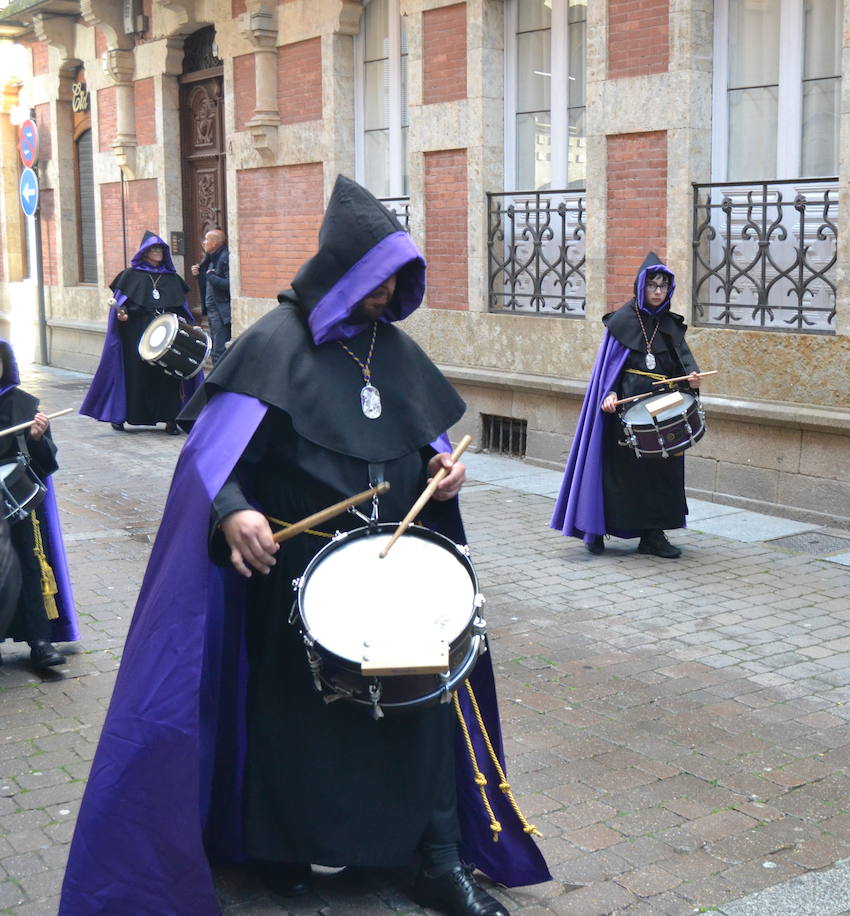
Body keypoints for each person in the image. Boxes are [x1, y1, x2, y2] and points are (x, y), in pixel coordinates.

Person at [61, 177, 548, 916]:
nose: (388, 296)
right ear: (343, 271)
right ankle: (282, 848)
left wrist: (443, 473)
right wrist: (231, 513)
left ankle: (436, 860)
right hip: (293, 570)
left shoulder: (396, 350)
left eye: (398, 283)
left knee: (420, 710)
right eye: (377, 281)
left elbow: (425, 443)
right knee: (295, 722)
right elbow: (210, 459)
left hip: (397, 569)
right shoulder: (271, 344)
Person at [551, 251, 701, 559]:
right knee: (616, 474)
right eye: (652, 286)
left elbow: (683, 368)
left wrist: (692, 381)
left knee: (659, 474)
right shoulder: (621, 322)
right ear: (640, 287)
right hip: (623, 412)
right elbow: (609, 368)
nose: (658, 292)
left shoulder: (671, 326)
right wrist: (608, 393)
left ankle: (652, 535)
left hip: (661, 411)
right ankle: (596, 530)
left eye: (663, 286)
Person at [0, 337, 78, 670]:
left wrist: (37, 439)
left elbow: (47, 463)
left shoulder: (23, 404)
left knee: (29, 566)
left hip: (16, 500)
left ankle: (40, 641)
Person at [79, 230, 201, 434]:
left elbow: (182, 308)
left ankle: (171, 419)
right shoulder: (130, 276)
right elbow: (121, 305)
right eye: (153, 249)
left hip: (166, 335)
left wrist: (190, 325)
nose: (158, 252)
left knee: (168, 376)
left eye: (160, 249)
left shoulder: (172, 279)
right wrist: (122, 314)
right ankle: (123, 415)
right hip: (136, 333)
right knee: (135, 375)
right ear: (144, 252)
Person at [191, 227, 231, 363]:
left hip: (221, 311)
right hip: (212, 311)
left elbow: (230, 285)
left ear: (214, 243)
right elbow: (207, 281)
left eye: (206, 240)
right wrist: (198, 274)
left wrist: (211, 276)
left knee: (219, 349)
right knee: (215, 346)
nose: (203, 243)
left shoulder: (225, 257)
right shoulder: (210, 258)